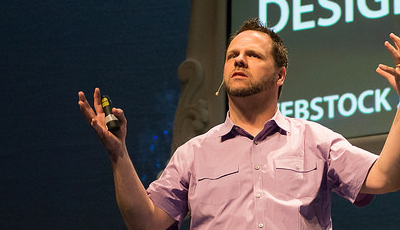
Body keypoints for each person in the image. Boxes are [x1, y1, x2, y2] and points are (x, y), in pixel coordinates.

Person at [78, 18, 400, 230]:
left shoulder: (316, 140)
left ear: (280, 75)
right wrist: (118, 154)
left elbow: (387, 177)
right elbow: (145, 223)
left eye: (253, 55)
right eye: (233, 55)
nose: (239, 60)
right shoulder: (193, 153)